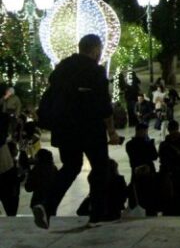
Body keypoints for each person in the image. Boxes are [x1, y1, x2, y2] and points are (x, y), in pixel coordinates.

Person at [33, 34, 121, 229]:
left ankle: (47, 205)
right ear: (96, 49)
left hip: (64, 129)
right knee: (100, 168)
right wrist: (112, 132)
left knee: (71, 166)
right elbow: (104, 106)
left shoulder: (62, 68)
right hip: (90, 128)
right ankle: (97, 215)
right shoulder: (95, 71)